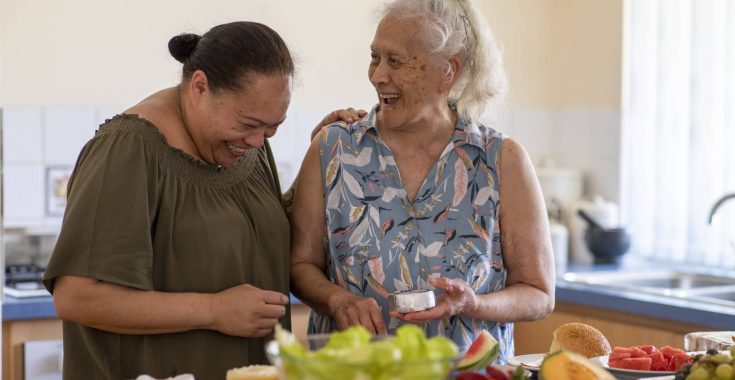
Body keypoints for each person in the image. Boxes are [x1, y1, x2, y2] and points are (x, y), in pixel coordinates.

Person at [43, 21, 362, 379]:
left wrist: (320, 154)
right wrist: (213, 310)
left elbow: (257, 234)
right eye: (249, 124)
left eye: (272, 128)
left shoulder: (243, 146)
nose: (258, 140)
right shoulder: (128, 150)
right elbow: (76, 296)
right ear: (199, 86)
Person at [290, 0, 555, 364]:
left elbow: (539, 294)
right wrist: (338, 300)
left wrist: (474, 303)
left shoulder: (501, 160)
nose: (377, 75)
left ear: (447, 71)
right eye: (375, 57)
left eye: (396, 61)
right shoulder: (333, 148)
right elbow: (299, 265)